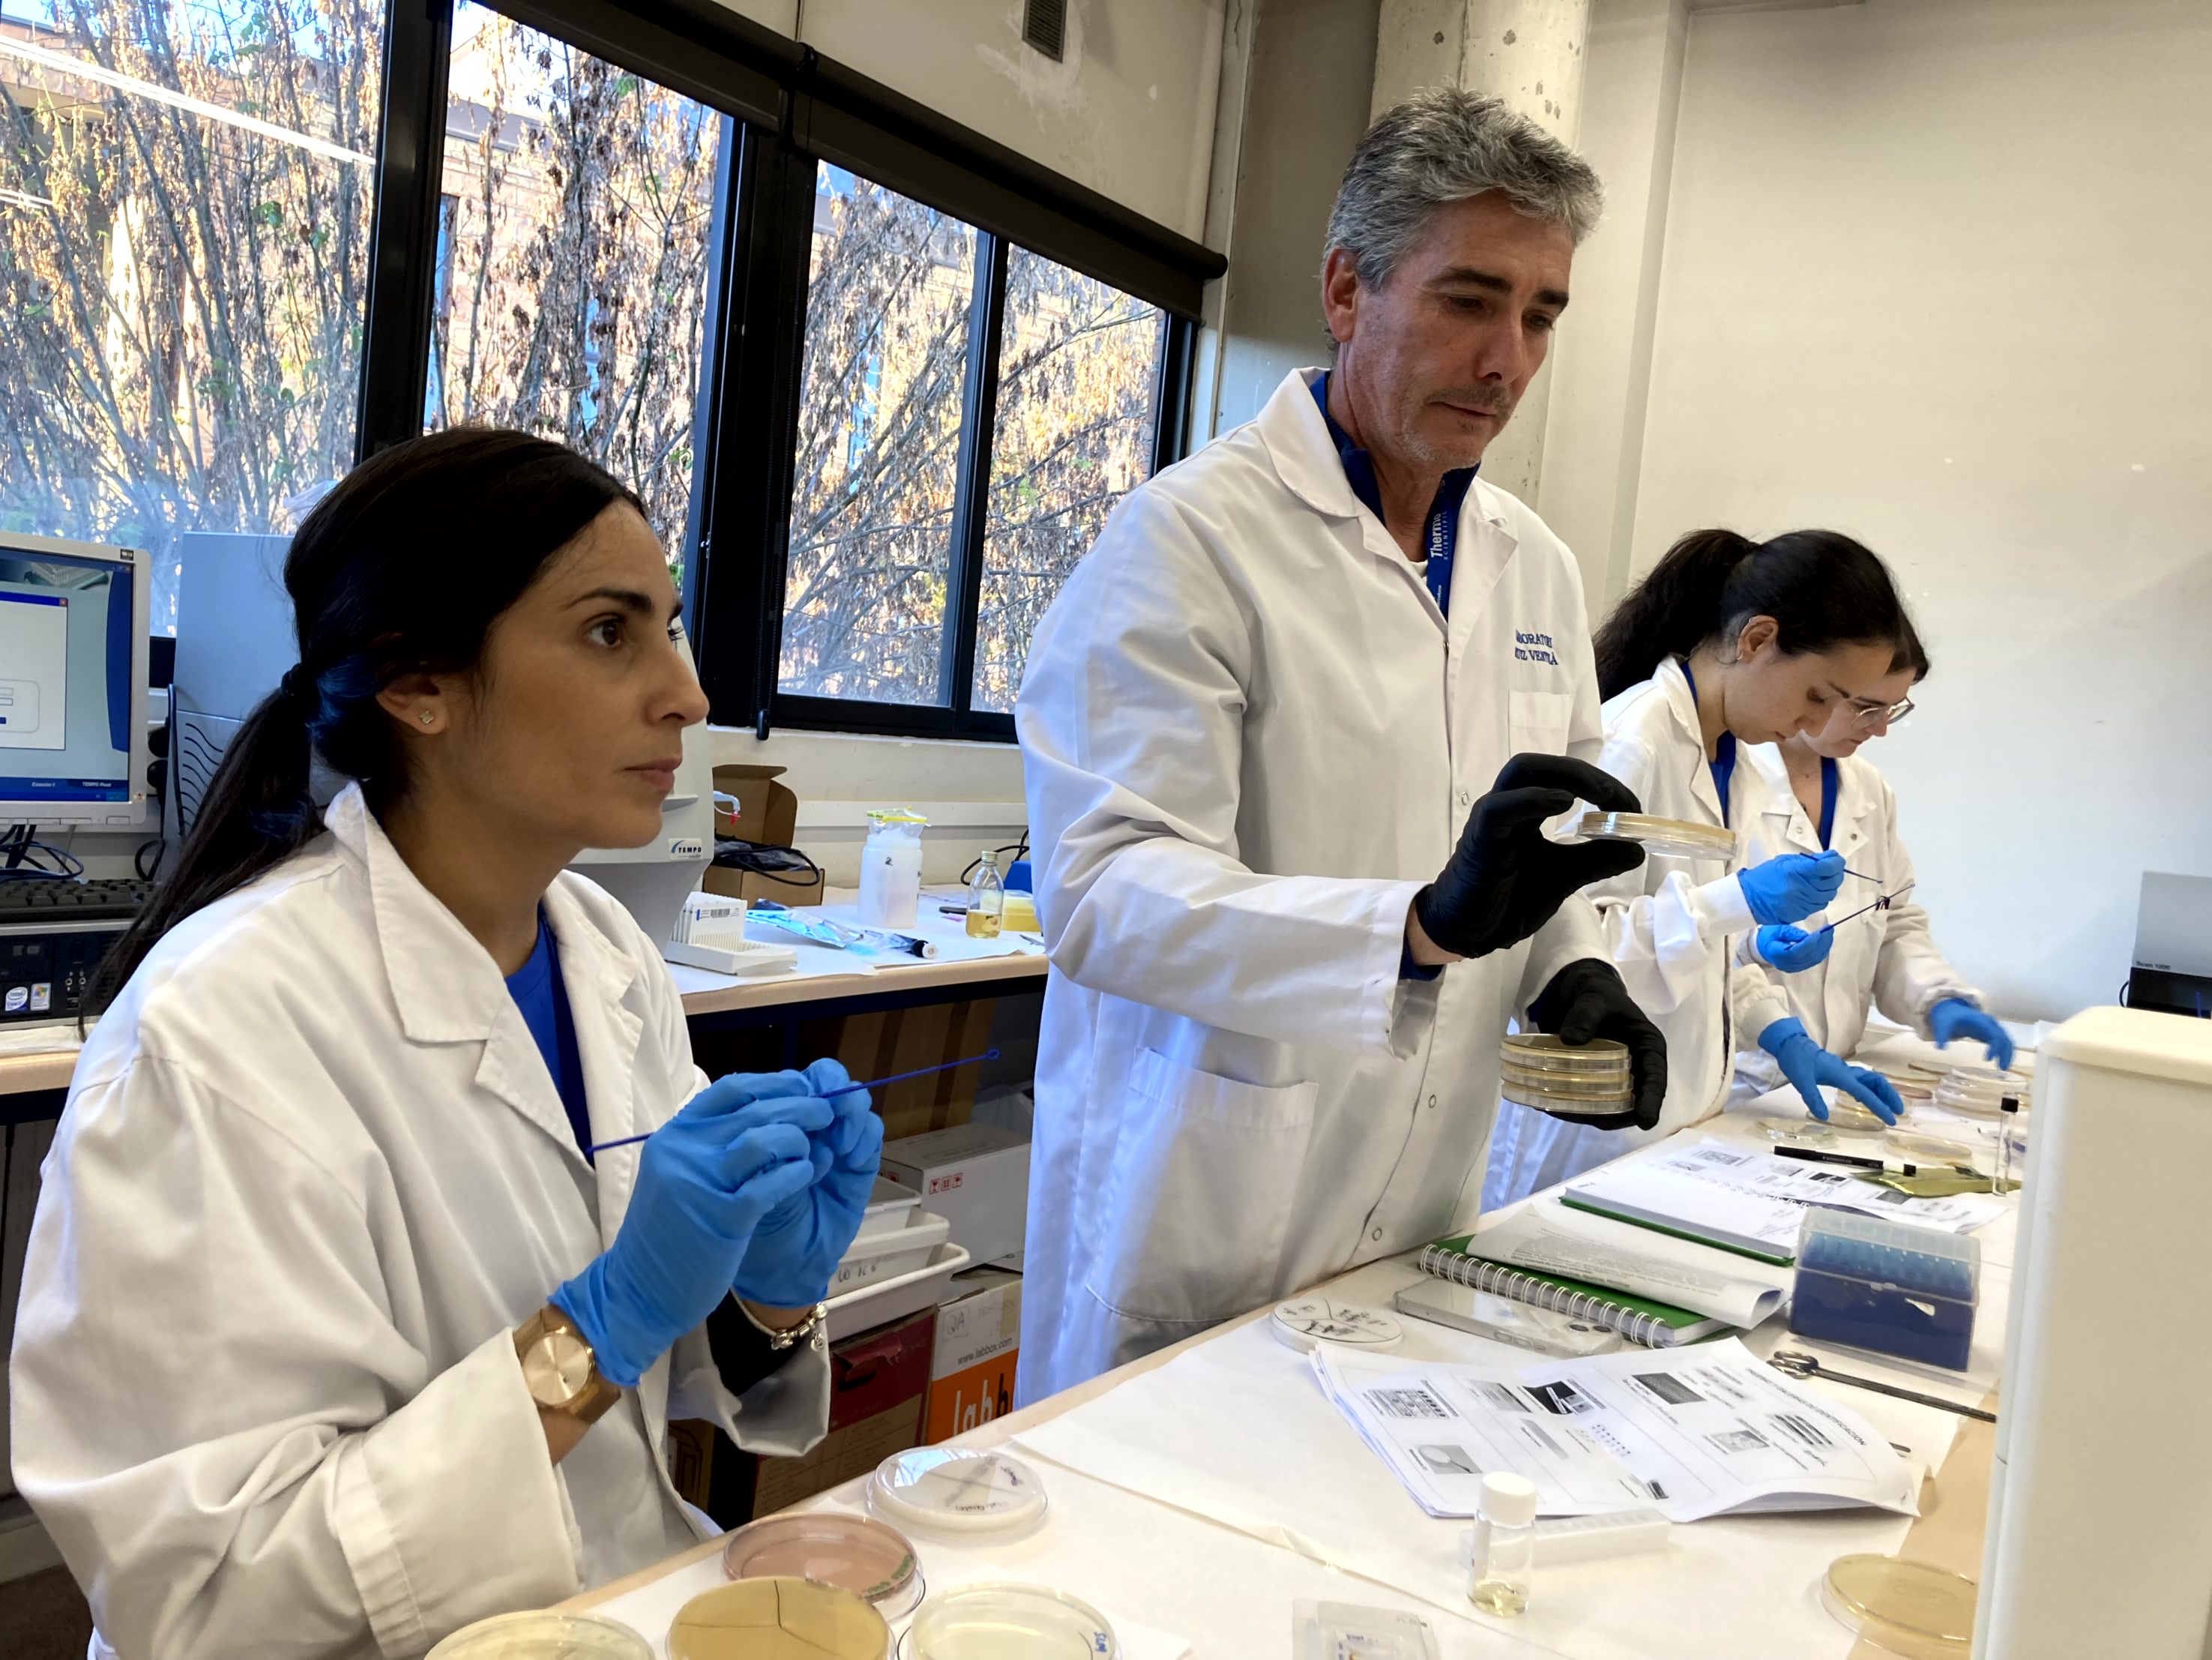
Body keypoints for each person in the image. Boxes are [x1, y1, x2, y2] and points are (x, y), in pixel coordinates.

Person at [10, 430, 883, 1657]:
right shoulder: (217, 1029)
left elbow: (663, 1364)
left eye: (671, 627)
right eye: (608, 631)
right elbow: (212, 1596)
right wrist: (595, 1328)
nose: (685, 693)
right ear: (418, 684)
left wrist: (764, 1294)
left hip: (614, 1606)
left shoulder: (604, 952)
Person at [1014, 88, 1668, 1401]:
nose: (1507, 359)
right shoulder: (1190, 540)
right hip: (1208, 1197)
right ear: (1345, 290)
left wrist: (1573, 973)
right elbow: (1102, 892)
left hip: (1418, 1207)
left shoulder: (1533, 568)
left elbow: (1546, 855)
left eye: (1541, 315)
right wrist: (1412, 927)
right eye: (1469, 299)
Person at [1486, 527, 1914, 1206]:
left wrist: (1775, 1026)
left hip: (1673, 1120)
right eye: (1817, 695)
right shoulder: (1631, 742)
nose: (1818, 724)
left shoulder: (1737, 762)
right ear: (1756, 640)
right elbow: (1565, 951)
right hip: (1585, 1130)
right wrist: (1735, 902)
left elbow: (1698, 952)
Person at [1730, 625, 2015, 1094]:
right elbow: (1683, 932)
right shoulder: (1730, 779)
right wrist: (1754, 943)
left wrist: (1936, 996)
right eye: (1866, 707)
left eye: (1893, 709)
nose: (1880, 728)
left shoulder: (1868, 790)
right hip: (1738, 1084)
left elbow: (1891, 920)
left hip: (1839, 1075)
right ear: (1818, 687)